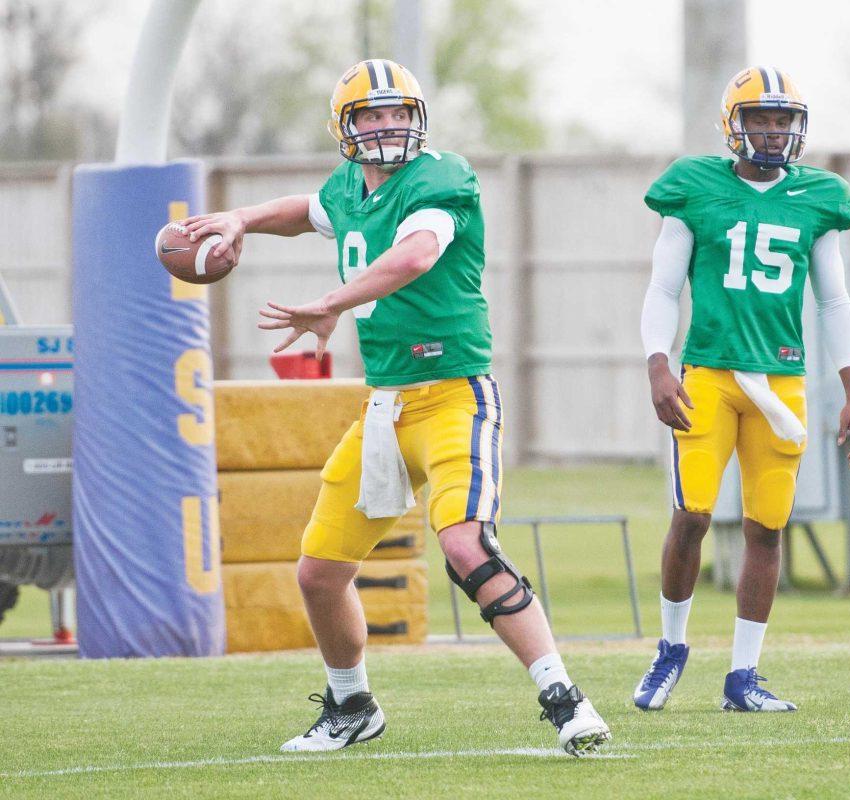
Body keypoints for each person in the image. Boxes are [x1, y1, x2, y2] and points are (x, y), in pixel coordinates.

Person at [180, 59, 610, 756]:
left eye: (397, 113)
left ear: (418, 119)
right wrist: (241, 218)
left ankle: (565, 699)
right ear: (344, 129)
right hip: (386, 406)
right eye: (371, 116)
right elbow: (307, 212)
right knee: (319, 571)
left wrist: (330, 302)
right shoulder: (350, 185)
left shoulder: (441, 178)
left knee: (465, 544)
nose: (387, 126)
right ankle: (352, 706)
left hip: (454, 396)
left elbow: (413, 256)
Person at [633, 65, 850, 713]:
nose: (771, 131)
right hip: (707, 372)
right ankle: (671, 649)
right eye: (759, 119)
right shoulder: (693, 186)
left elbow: (835, 302)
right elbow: (662, 286)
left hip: (782, 378)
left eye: (782, 120)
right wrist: (658, 361)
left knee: (768, 526)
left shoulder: (819, 197)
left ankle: (743, 677)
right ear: (732, 125)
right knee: (694, 514)